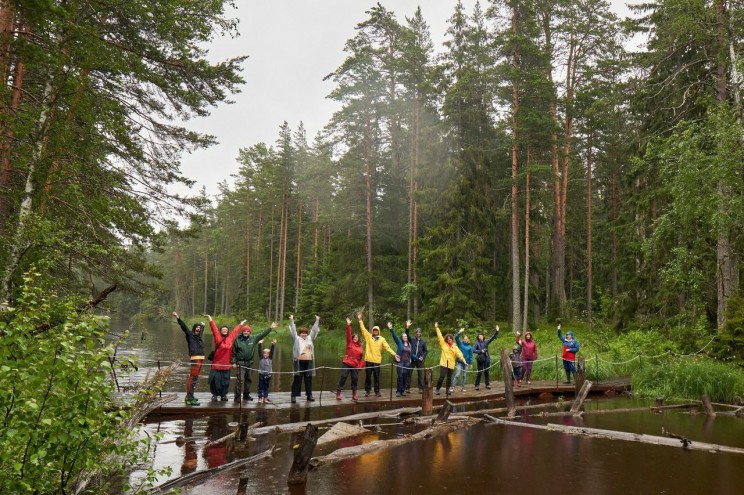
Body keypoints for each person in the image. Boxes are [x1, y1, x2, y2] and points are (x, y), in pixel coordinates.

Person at [357, 311, 399, 397]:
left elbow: (388, 347)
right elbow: (363, 329)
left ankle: (377, 391)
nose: (375, 331)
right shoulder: (368, 336)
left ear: (378, 331)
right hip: (368, 360)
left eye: (376, 330)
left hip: (377, 361)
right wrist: (360, 320)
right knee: (368, 376)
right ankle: (367, 391)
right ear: (372, 331)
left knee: (376, 377)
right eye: (374, 330)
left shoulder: (382, 339)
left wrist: (394, 354)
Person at [231, 322, 276, 401]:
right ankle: (237, 396)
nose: (246, 332)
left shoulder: (253, 338)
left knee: (249, 379)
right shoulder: (237, 340)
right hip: (240, 363)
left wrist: (270, 328)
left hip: (250, 363)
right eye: (245, 331)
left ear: (250, 332)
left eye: (248, 331)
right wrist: (234, 362)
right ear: (242, 331)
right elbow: (234, 353)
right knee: (240, 380)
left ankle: (246, 395)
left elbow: (262, 334)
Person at [207, 315, 245, 401]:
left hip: (226, 364)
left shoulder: (230, 338)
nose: (224, 331)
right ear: (220, 331)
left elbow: (235, 331)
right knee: (215, 381)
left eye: (226, 330)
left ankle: (223, 395)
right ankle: (215, 395)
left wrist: (241, 324)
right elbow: (214, 328)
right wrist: (210, 319)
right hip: (216, 364)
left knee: (225, 381)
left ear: (227, 331)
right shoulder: (217, 337)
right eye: (223, 330)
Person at [172, 312, 205, 406]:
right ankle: (189, 398)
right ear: (194, 328)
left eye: (199, 327)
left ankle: (190, 396)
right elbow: (184, 326)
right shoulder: (190, 334)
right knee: (192, 378)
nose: (198, 328)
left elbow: (202, 330)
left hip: (201, 358)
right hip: (195, 357)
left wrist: (202, 325)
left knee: (196, 377)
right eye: (197, 327)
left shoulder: (200, 336)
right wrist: (178, 317)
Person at [289, 314, 320, 403]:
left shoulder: (310, 338)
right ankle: (293, 396)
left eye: (305, 333)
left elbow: (314, 331)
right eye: (302, 333)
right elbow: (293, 331)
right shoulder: (296, 339)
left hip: (309, 362)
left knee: (308, 379)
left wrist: (317, 321)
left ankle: (309, 395)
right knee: (297, 379)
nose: (304, 334)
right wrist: (291, 320)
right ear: (300, 333)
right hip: (298, 362)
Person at [434, 322, 466, 397]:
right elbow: (440, 335)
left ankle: (447, 390)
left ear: (452, 339)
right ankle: (437, 389)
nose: (449, 339)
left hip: (451, 365)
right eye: (448, 338)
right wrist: (436, 328)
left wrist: (464, 360)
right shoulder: (443, 344)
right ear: (446, 339)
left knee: (449, 378)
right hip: (444, 363)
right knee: (442, 377)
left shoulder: (455, 346)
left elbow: (459, 353)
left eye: (450, 338)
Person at [336, 317, 364, 401]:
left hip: (355, 365)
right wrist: (348, 325)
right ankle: (338, 393)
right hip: (347, 363)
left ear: (358, 339)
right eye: (354, 337)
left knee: (355, 379)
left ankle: (354, 394)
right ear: (352, 338)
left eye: (357, 337)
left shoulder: (360, 347)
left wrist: (360, 365)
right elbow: (348, 334)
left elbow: (360, 357)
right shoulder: (350, 343)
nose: (355, 338)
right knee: (343, 376)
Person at [388, 321, 411, 397]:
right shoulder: (399, 343)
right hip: (400, 362)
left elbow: (411, 354)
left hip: (407, 363)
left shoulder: (409, 344)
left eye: (406, 336)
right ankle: (398, 391)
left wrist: (417, 358)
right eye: (403, 336)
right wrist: (391, 328)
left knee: (405, 377)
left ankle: (403, 390)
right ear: (402, 337)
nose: (405, 337)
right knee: (400, 376)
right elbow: (394, 336)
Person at [473, 325, 499, 390]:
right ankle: (477, 385)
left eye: (481, 336)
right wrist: (480, 351)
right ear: (478, 337)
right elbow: (473, 350)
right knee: (480, 372)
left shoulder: (486, 341)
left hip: (486, 358)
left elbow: (492, 337)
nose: (480, 337)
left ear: (483, 336)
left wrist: (497, 331)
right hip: (480, 359)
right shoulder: (476, 343)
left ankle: (487, 384)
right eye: (479, 336)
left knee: (486, 371)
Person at [406, 322, 428, 392]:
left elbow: (425, 351)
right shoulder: (412, 340)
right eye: (417, 332)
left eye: (419, 332)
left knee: (420, 374)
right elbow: (407, 335)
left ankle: (420, 388)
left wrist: (423, 357)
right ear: (415, 333)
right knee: (409, 373)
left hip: (420, 360)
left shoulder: (423, 342)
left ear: (421, 333)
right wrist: (407, 327)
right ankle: (407, 388)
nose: (418, 333)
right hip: (412, 359)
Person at [256, 339, 276, 404]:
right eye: (264, 353)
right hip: (261, 374)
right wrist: (259, 344)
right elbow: (259, 351)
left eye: (267, 354)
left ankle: (265, 398)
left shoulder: (270, 358)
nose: (265, 355)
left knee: (266, 386)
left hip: (268, 374)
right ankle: (260, 398)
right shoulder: (261, 358)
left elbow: (272, 351)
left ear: (269, 355)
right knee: (260, 386)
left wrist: (273, 344)